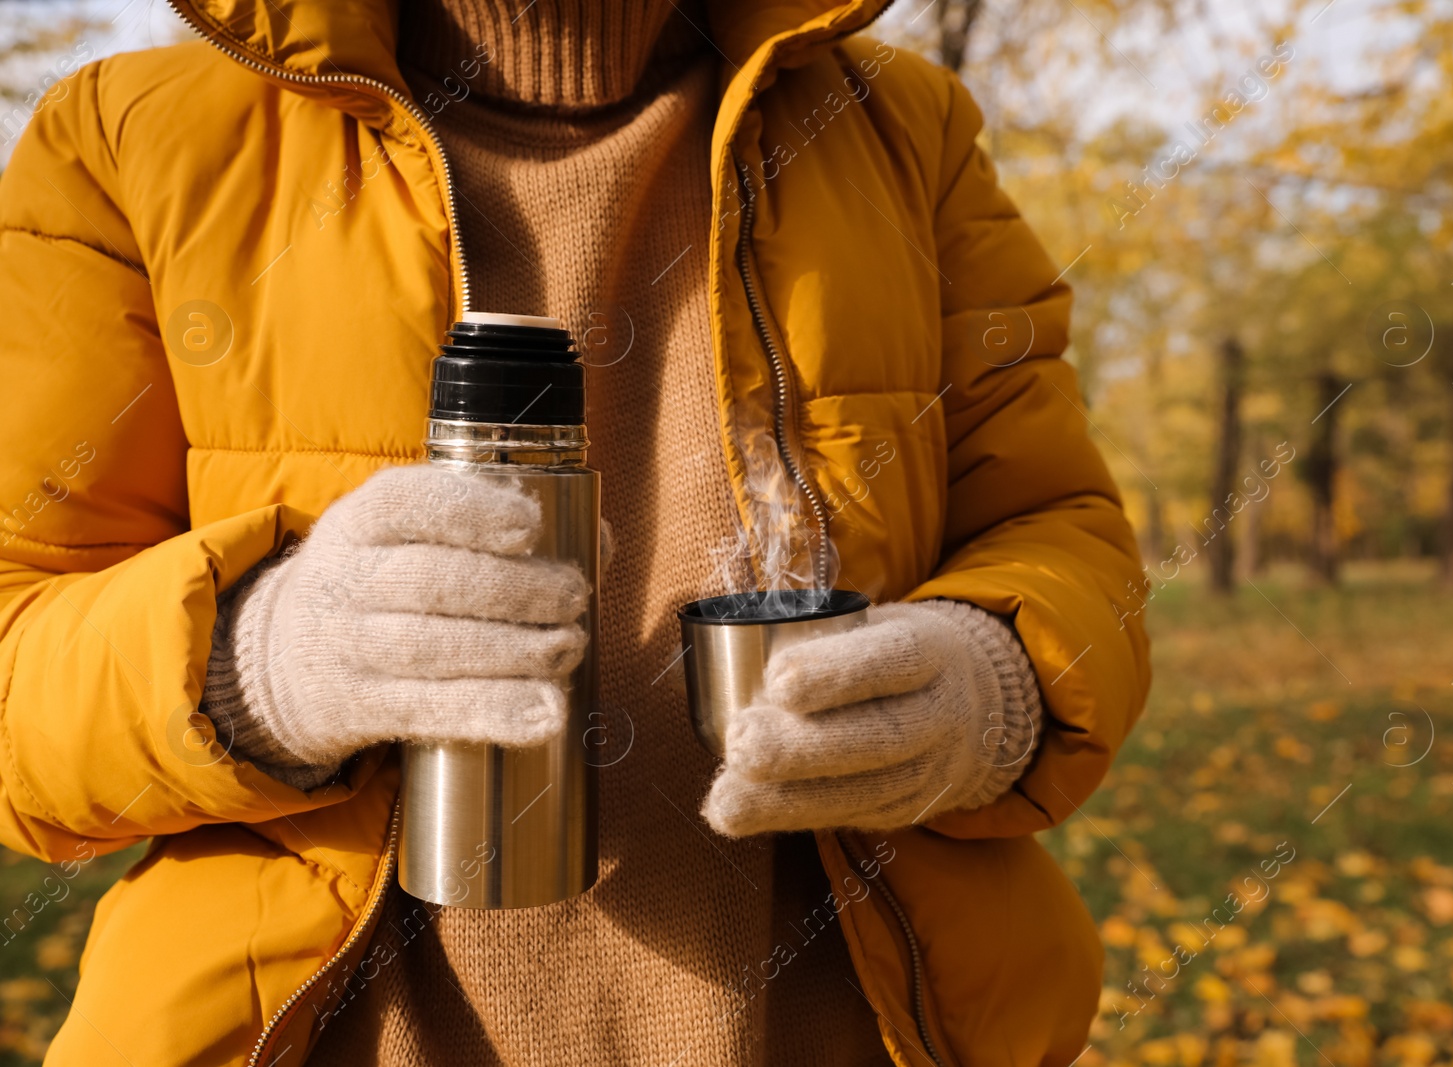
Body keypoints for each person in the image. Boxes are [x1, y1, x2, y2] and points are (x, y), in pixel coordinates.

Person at [0, 0, 1150, 1062]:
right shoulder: (131, 139)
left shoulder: (903, 128)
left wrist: (990, 687)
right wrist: (258, 664)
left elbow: (1060, 532)